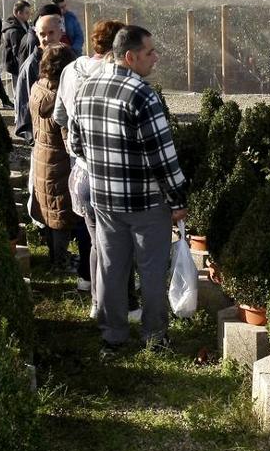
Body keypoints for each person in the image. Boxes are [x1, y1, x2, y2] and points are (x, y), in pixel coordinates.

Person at [69, 25, 188, 358]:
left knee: (110, 267)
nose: (156, 58)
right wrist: (177, 198)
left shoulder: (87, 87)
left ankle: (112, 337)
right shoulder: (143, 94)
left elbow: (75, 144)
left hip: (104, 198)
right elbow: (163, 156)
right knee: (151, 270)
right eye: (150, 52)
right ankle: (154, 336)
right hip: (146, 202)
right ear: (130, 56)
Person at [55, 19, 127, 309]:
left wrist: (75, 141)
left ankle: (91, 287)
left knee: (92, 232)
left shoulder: (71, 69)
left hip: (80, 162)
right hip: (110, 166)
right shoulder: (115, 74)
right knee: (116, 242)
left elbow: (59, 115)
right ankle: (119, 303)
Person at [29, 45, 91, 284]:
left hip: (43, 157)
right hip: (59, 163)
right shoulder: (59, 96)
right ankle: (61, 261)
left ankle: (57, 257)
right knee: (61, 214)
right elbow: (67, 136)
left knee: (49, 210)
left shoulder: (37, 87)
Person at [13, 9, 65, 141]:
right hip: (43, 138)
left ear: (61, 32)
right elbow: (24, 107)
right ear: (37, 35)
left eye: (51, 33)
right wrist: (34, 139)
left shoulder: (65, 56)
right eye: (42, 34)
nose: (47, 38)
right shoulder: (32, 65)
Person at [3, 0, 33, 98]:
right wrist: (22, 67)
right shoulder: (13, 30)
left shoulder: (23, 24)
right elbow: (17, 52)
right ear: (18, 13)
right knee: (19, 91)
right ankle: (18, 111)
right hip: (17, 65)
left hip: (23, 63)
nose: (29, 15)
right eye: (26, 13)